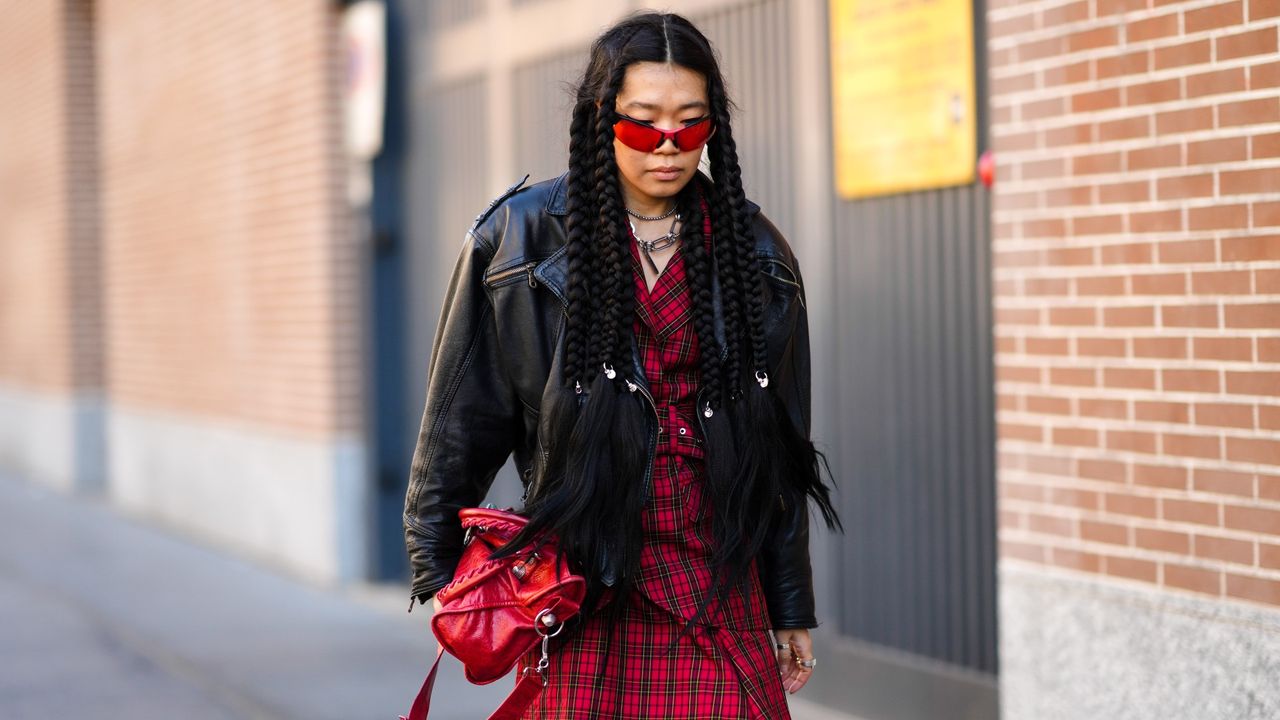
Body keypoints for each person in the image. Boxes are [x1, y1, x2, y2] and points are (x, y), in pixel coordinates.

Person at [403, 10, 842, 719]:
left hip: (718, 585)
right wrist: (443, 573)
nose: (667, 145)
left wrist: (789, 602)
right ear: (601, 119)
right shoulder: (516, 241)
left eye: (690, 125)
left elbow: (780, 454)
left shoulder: (757, 255)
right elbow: (460, 417)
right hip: (586, 587)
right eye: (643, 124)